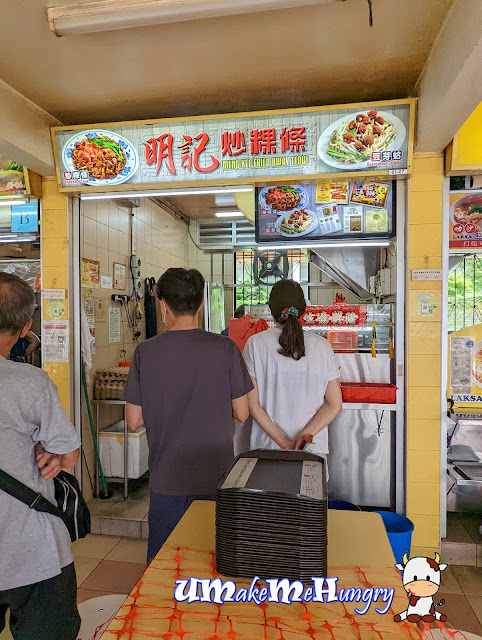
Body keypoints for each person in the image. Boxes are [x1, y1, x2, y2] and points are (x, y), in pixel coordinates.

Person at [124, 268, 253, 562]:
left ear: (163, 306)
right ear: (201, 305)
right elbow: (242, 413)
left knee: (164, 567)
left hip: (167, 477)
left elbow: (134, 420)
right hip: (215, 477)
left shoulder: (145, 352)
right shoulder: (225, 348)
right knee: (210, 562)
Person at [0, 273, 81, 640]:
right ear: (26, 326)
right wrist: (45, 449)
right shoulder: (30, 383)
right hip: (29, 547)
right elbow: (69, 455)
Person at [243, 279, 342, 455]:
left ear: (271, 311)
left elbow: (252, 404)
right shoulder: (322, 346)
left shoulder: (254, 344)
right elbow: (334, 403)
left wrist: (284, 443)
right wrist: (305, 435)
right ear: (303, 309)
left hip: (267, 450)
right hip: (311, 449)